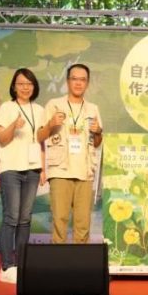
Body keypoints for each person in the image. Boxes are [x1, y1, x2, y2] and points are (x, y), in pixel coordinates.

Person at [38, 64, 102, 244]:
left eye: (83, 80)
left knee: (83, 223)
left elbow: (97, 142)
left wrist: (98, 132)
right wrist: (51, 124)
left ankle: (80, 260)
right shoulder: (54, 104)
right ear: (67, 81)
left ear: (87, 83)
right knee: (60, 220)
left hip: (85, 172)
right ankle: (58, 260)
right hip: (61, 171)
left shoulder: (93, 109)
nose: (78, 83)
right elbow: (40, 136)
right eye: (74, 79)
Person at [0, 68, 46, 283]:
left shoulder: (39, 109)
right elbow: (2, 139)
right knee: (11, 218)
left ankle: (22, 263)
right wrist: (13, 126)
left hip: (32, 169)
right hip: (11, 169)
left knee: (25, 219)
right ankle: (7, 265)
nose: (25, 87)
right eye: (21, 83)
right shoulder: (7, 108)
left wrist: (42, 168)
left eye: (29, 84)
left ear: (34, 87)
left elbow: (40, 141)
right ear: (14, 87)